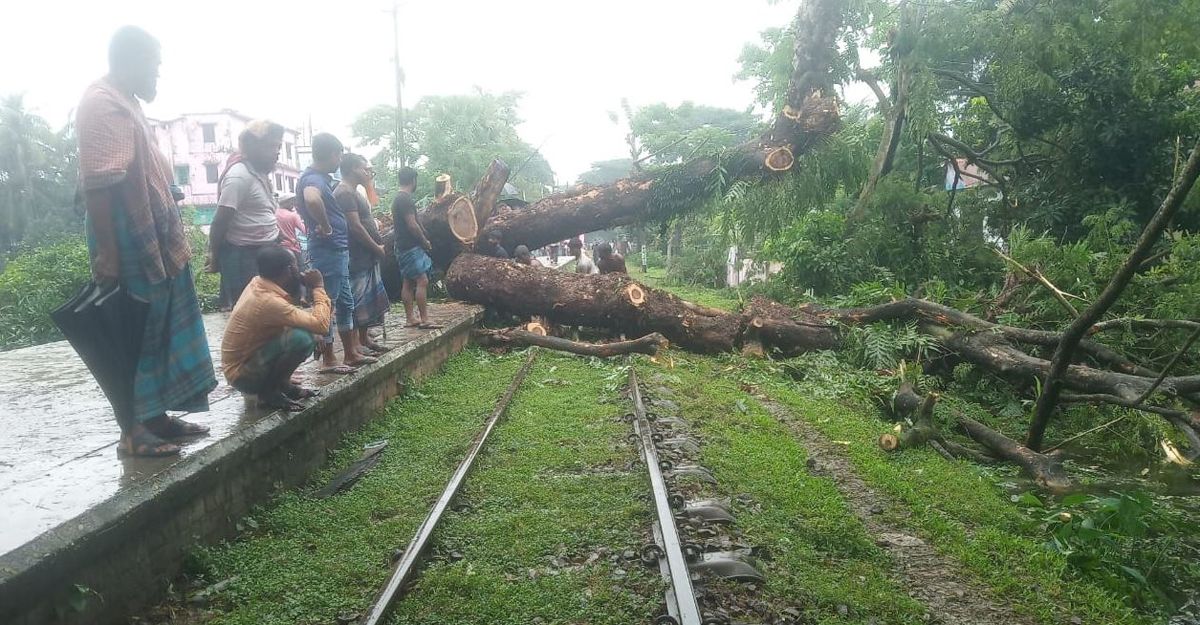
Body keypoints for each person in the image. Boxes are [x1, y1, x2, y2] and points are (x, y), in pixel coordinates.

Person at [76, 26, 216, 456]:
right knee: (132, 331)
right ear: (133, 60)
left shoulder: (127, 102)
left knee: (159, 326)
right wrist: (109, 255)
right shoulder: (102, 104)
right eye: (154, 64)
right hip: (124, 236)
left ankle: (155, 417)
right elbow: (99, 183)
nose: (157, 73)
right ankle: (132, 432)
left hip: (151, 235)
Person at [297, 133, 373, 373]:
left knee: (345, 302)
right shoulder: (313, 179)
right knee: (326, 303)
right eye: (339, 154)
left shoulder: (319, 177)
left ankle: (350, 353)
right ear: (331, 154)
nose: (340, 160)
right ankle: (330, 359)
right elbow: (311, 199)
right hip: (327, 252)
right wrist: (327, 226)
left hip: (336, 252)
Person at [222, 246, 329, 411]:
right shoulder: (268, 300)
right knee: (302, 339)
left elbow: (296, 319)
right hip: (243, 376)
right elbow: (321, 324)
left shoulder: (258, 283)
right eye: (296, 265)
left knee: (307, 331)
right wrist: (318, 287)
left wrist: (314, 329)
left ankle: (283, 387)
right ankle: (270, 393)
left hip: (244, 366)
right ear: (288, 270)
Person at [206, 120, 286, 311]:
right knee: (251, 312)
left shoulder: (258, 173)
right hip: (243, 257)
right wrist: (215, 255)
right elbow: (220, 221)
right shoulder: (239, 176)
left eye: (278, 146)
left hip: (266, 251)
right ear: (251, 146)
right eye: (270, 146)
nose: (276, 152)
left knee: (270, 310)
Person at [335, 154, 391, 355]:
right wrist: (376, 247)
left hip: (366, 257)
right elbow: (355, 227)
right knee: (356, 300)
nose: (367, 172)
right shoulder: (344, 193)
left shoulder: (354, 191)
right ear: (351, 169)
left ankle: (364, 339)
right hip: (357, 256)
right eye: (363, 168)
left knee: (368, 299)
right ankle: (355, 344)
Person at [391, 167, 441, 329]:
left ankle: (410, 318)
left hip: (402, 246)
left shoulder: (399, 198)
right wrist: (424, 241)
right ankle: (424, 319)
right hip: (410, 246)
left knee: (407, 282)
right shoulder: (404, 200)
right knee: (422, 280)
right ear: (413, 180)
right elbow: (412, 225)